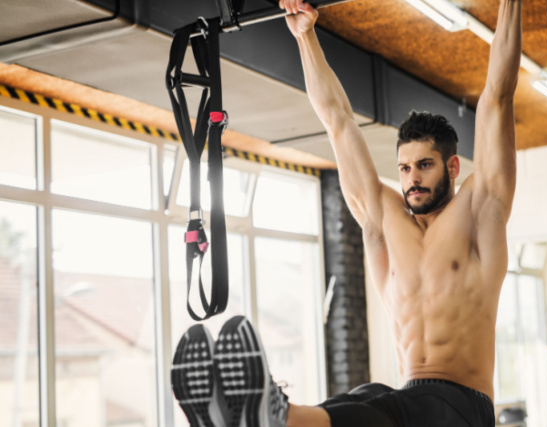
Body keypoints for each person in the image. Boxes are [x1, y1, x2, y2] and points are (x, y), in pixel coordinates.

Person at [173, 1, 521, 426]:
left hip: (462, 407)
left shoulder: (478, 211)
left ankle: (273, 415)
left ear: (452, 167)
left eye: (425, 166)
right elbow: (337, 121)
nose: (412, 178)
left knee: (375, 410)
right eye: (405, 168)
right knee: (365, 396)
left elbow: (498, 97)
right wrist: (305, 36)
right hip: (407, 396)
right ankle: (254, 416)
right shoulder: (384, 219)